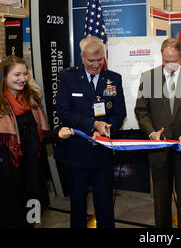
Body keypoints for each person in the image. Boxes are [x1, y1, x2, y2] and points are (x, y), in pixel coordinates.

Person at [0, 55, 74, 228]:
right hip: (0, 185)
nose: (23, 79)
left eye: (25, 74)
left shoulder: (32, 102)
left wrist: (58, 135)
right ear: (4, 76)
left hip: (31, 182)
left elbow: (40, 136)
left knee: (29, 224)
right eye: (17, 75)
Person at [55, 35, 127, 228]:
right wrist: (92, 125)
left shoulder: (113, 79)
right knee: (77, 205)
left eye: (99, 60)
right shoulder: (68, 78)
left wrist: (104, 131)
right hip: (76, 152)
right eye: (91, 60)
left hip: (101, 153)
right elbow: (63, 112)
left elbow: (120, 113)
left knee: (104, 206)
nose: (96, 65)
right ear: (82, 57)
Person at [134, 38, 181, 228]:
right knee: (161, 200)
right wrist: (151, 133)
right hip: (158, 151)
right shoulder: (148, 78)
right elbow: (141, 110)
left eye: (173, 60)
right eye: (165, 60)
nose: (169, 65)